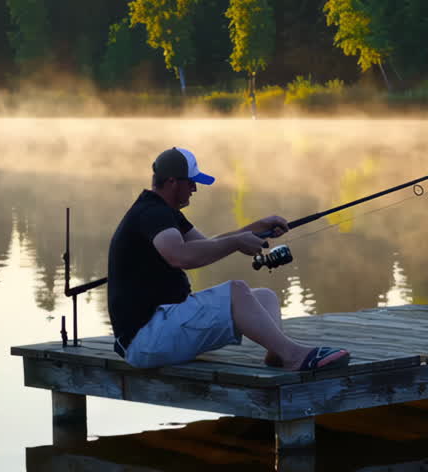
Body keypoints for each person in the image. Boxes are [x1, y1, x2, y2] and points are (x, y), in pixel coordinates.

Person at [107, 147, 349, 371]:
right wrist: (236, 243)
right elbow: (179, 257)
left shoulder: (165, 213)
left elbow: (206, 244)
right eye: (191, 183)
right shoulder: (152, 213)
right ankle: (294, 356)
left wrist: (254, 228)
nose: (195, 189)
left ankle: (277, 352)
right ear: (172, 182)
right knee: (236, 290)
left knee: (265, 297)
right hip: (145, 340)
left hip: (161, 329)